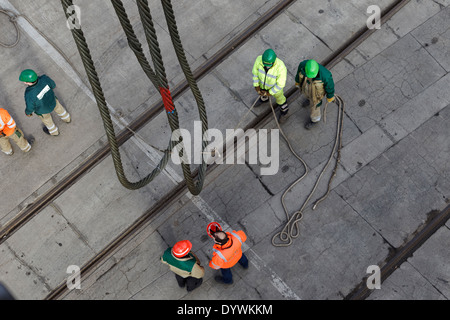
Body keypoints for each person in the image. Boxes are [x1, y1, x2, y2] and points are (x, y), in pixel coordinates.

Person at [19, 69, 71, 136]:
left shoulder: (29, 94)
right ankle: (67, 119)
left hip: (43, 110)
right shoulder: (44, 78)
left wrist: (28, 113)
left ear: (27, 82)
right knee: (60, 109)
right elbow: (53, 85)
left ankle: (54, 132)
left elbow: (30, 107)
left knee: (47, 120)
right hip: (52, 101)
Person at [252, 49, 289, 123]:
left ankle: (285, 112)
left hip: (275, 89)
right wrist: (257, 86)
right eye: (265, 64)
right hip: (263, 85)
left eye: (269, 65)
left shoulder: (281, 67)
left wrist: (270, 92)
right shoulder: (258, 60)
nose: (267, 66)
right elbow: (255, 73)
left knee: (280, 99)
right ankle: (264, 99)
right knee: (263, 94)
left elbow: (280, 84)